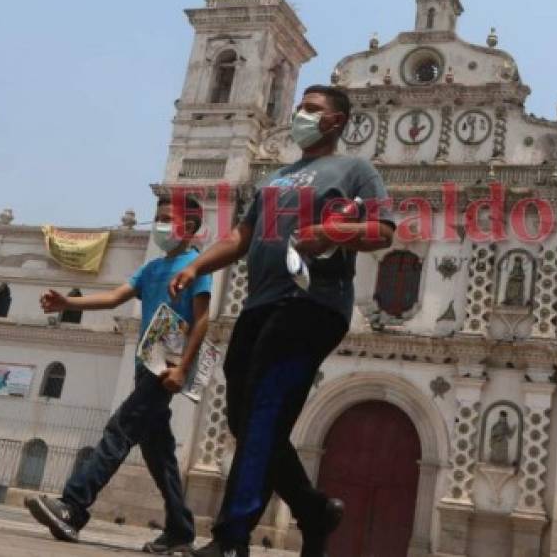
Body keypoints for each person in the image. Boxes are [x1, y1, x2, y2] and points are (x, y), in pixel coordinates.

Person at [169, 85, 395, 557]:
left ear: (335, 122)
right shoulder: (275, 178)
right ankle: (314, 511)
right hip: (258, 305)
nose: (300, 115)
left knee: (266, 410)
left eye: (312, 110)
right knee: (243, 418)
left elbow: (382, 231)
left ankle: (232, 537)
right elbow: (241, 235)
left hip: (314, 304)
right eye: (301, 108)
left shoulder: (355, 171)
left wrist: (336, 231)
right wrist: (197, 265)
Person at [25, 196, 212, 555]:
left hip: (167, 368)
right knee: (160, 453)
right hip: (146, 364)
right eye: (156, 217)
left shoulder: (197, 266)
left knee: (121, 428)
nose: (158, 224)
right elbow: (114, 296)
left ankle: (73, 507)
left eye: (166, 218)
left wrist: (183, 368)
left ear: (188, 228)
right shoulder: (153, 268)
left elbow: (202, 319)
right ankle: (180, 531)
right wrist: (68, 304)